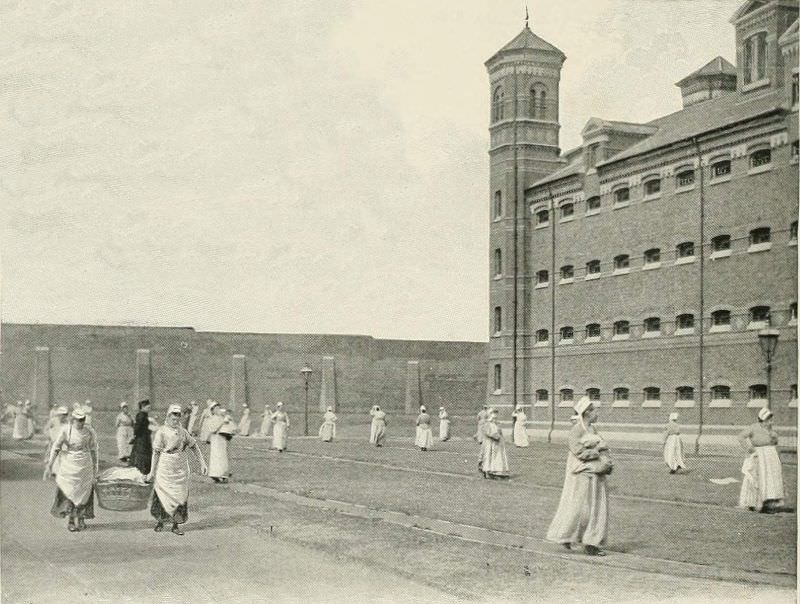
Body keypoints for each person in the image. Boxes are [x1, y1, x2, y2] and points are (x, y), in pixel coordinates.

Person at [546, 396, 611, 556]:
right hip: (583, 471)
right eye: (594, 410)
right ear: (587, 413)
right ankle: (574, 538)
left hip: (596, 472)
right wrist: (596, 452)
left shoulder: (593, 430)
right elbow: (578, 451)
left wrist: (605, 458)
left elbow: (601, 446)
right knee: (581, 506)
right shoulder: (577, 430)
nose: (597, 412)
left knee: (596, 507)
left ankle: (590, 541)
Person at [146, 404, 208, 535]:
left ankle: (175, 525)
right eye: (173, 416)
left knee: (179, 495)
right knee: (163, 494)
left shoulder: (183, 432)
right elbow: (156, 452)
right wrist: (152, 471)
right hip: (165, 465)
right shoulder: (161, 432)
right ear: (168, 416)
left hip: (180, 466)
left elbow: (194, 446)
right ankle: (160, 521)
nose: (175, 419)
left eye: (178, 416)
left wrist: (202, 463)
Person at [43, 408, 98, 532]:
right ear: (73, 420)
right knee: (70, 491)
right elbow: (56, 447)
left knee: (85, 491)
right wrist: (49, 465)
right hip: (70, 463)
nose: (81, 423)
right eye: (78, 421)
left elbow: (94, 449)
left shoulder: (89, 431)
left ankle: (82, 518)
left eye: (83, 420)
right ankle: (72, 520)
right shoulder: (66, 430)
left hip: (85, 463)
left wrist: (95, 467)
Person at [738, 407, 784, 513]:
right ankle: (753, 503)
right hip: (758, 456)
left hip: (770, 457)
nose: (770, 422)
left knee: (770, 480)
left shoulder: (771, 431)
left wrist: (774, 438)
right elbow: (740, 436)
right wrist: (748, 448)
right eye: (768, 420)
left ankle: (767, 504)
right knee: (757, 479)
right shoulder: (754, 428)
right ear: (763, 419)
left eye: (771, 420)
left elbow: (775, 442)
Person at [478, 408, 509, 478]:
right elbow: (488, 432)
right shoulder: (487, 424)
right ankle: (487, 470)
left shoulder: (496, 424)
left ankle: (495, 470)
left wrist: (500, 437)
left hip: (497, 444)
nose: (495, 418)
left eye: (495, 417)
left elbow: (500, 432)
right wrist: (495, 436)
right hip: (489, 443)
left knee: (496, 457)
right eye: (493, 417)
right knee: (489, 456)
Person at [207, 405, 232, 482]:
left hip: (222, 439)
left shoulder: (222, 417)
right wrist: (222, 422)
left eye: (219, 408)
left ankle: (224, 474)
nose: (218, 410)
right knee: (216, 456)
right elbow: (213, 429)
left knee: (223, 456)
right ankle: (215, 474)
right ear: (213, 410)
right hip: (216, 439)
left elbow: (228, 428)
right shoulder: (212, 419)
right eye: (216, 408)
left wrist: (228, 422)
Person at [129, 400, 153, 475]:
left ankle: (144, 470)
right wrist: (135, 435)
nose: (149, 409)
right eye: (148, 407)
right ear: (142, 407)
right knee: (142, 453)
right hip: (141, 438)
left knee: (144, 452)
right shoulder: (141, 415)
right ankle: (142, 470)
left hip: (144, 437)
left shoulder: (144, 415)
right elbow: (137, 427)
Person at [43, 406, 69, 474]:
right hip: (54, 441)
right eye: (62, 415)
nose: (63, 417)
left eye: (65, 415)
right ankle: (52, 470)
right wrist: (50, 436)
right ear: (59, 415)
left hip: (63, 442)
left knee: (63, 455)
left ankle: (60, 470)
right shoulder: (53, 420)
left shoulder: (67, 422)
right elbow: (45, 429)